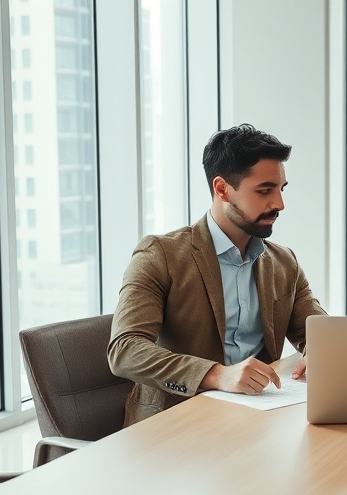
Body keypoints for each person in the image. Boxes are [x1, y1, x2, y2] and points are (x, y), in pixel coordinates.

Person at [108, 123, 326, 427]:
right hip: (176, 423)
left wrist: (322, 351)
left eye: (281, 189)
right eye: (264, 191)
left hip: (259, 419)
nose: (279, 204)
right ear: (222, 189)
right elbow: (125, 350)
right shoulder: (160, 255)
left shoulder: (284, 261)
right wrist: (217, 374)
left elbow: (319, 331)